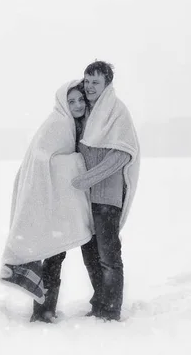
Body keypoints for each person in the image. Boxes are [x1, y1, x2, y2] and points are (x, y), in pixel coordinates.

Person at [0, 81, 93, 324]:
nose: (77, 105)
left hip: (55, 200)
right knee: (53, 255)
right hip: (47, 198)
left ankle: (44, 310)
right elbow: (43, 160)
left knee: (54, 254)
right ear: (63, 102)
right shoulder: (58, 123)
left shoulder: (71, 124)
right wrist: (77, 162)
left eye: (80, 100)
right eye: (71, 101)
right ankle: (42, 312)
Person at [71, 61, 140, 321]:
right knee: (90, 255)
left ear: (107, 85)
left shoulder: (116, 111)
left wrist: (87, 178)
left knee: (109, 256)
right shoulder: (87, 112)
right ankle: (99, 302)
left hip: (108, 198)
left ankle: (110, 310)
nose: (89, 87)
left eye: (95, 82)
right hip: (86, 198)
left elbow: (122, 154)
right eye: (87, 81)